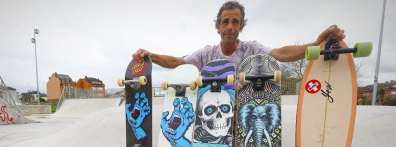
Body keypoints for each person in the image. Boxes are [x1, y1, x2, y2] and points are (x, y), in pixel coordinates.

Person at [132, 1, 346, 70]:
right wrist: (150, 55)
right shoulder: (207, 54)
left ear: (242, 26)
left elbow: (281, 53)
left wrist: (316, 44)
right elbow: (177, 61)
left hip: (244, 120)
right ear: (218, 26)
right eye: (225, 22)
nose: (230, 26)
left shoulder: (252, 49)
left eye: (235, 22)